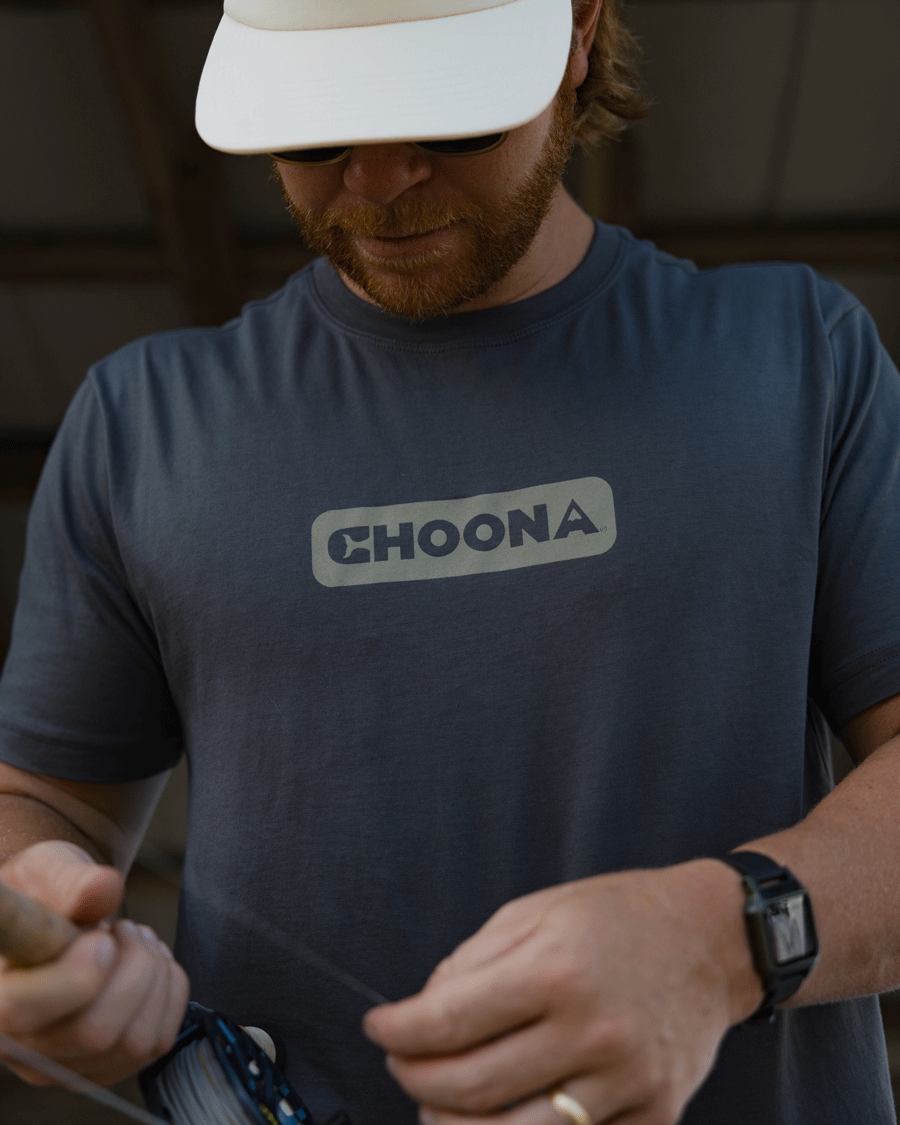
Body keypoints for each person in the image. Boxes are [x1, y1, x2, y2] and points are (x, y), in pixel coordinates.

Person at [1, 1, 899, 1123]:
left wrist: (729, 939)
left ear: (579, 34)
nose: (377, 181)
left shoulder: (797, 358)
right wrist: (35, 929)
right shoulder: (143, 421)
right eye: (319, 134)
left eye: (447, 117)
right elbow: (43, 806)